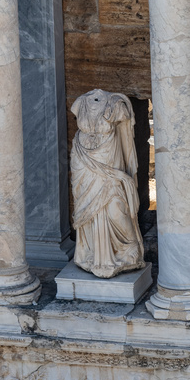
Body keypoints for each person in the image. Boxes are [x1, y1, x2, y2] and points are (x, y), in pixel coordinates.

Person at [70, 89, 145, 278]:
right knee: (87, 210)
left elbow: (126, 123)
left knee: (116, 207)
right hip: (83, 161)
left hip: (109, 160)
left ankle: (128, 248)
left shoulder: (116, 103)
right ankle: (91, 254)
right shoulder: (81, 102)